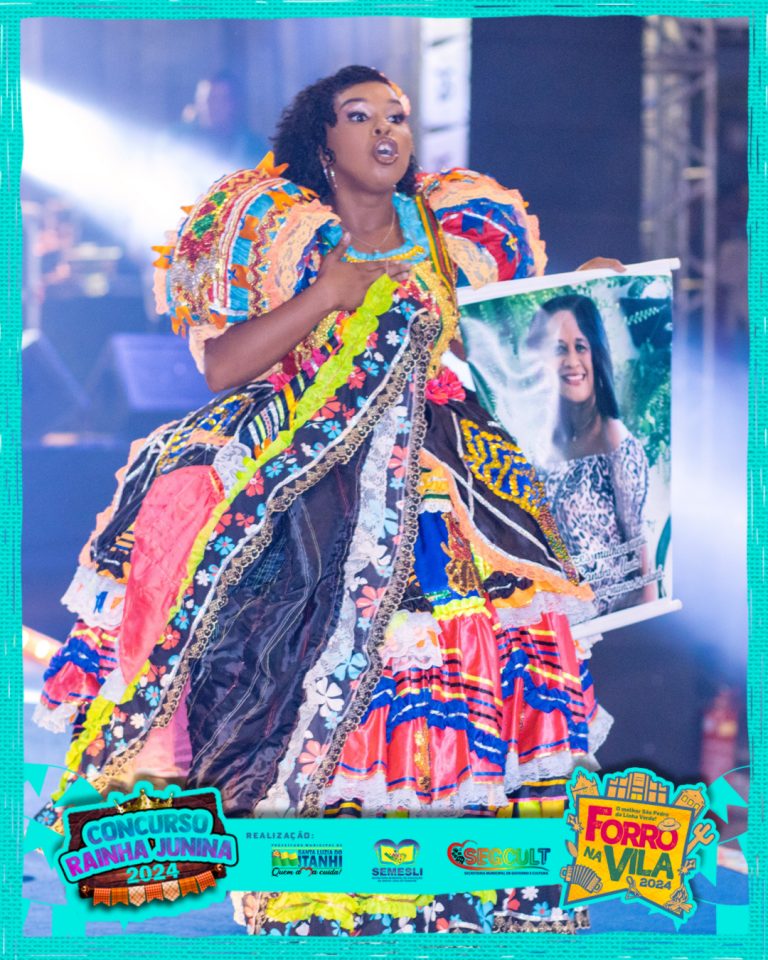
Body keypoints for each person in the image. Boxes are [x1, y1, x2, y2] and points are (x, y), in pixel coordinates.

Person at [36, 66, 613, 935]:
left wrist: (584, 290)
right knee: (322, 663)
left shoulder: (452, 234)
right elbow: (221, 366)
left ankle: (466, 883)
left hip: (448, 482)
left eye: (398, 117)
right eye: (360, 115)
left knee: (461, 657)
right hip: (314, 483)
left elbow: (509, 346)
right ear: (323, 141)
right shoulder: (281, 236)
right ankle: (328, 890)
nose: (386, 131)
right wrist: (326, 295)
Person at [531, 293, 654, 616]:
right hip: (561, 622)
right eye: (559, 349)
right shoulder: (543, 443)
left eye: (580, 347)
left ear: (596, 353)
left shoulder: (613, 438)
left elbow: (644, 565)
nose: (571, 361)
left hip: (613, 625)